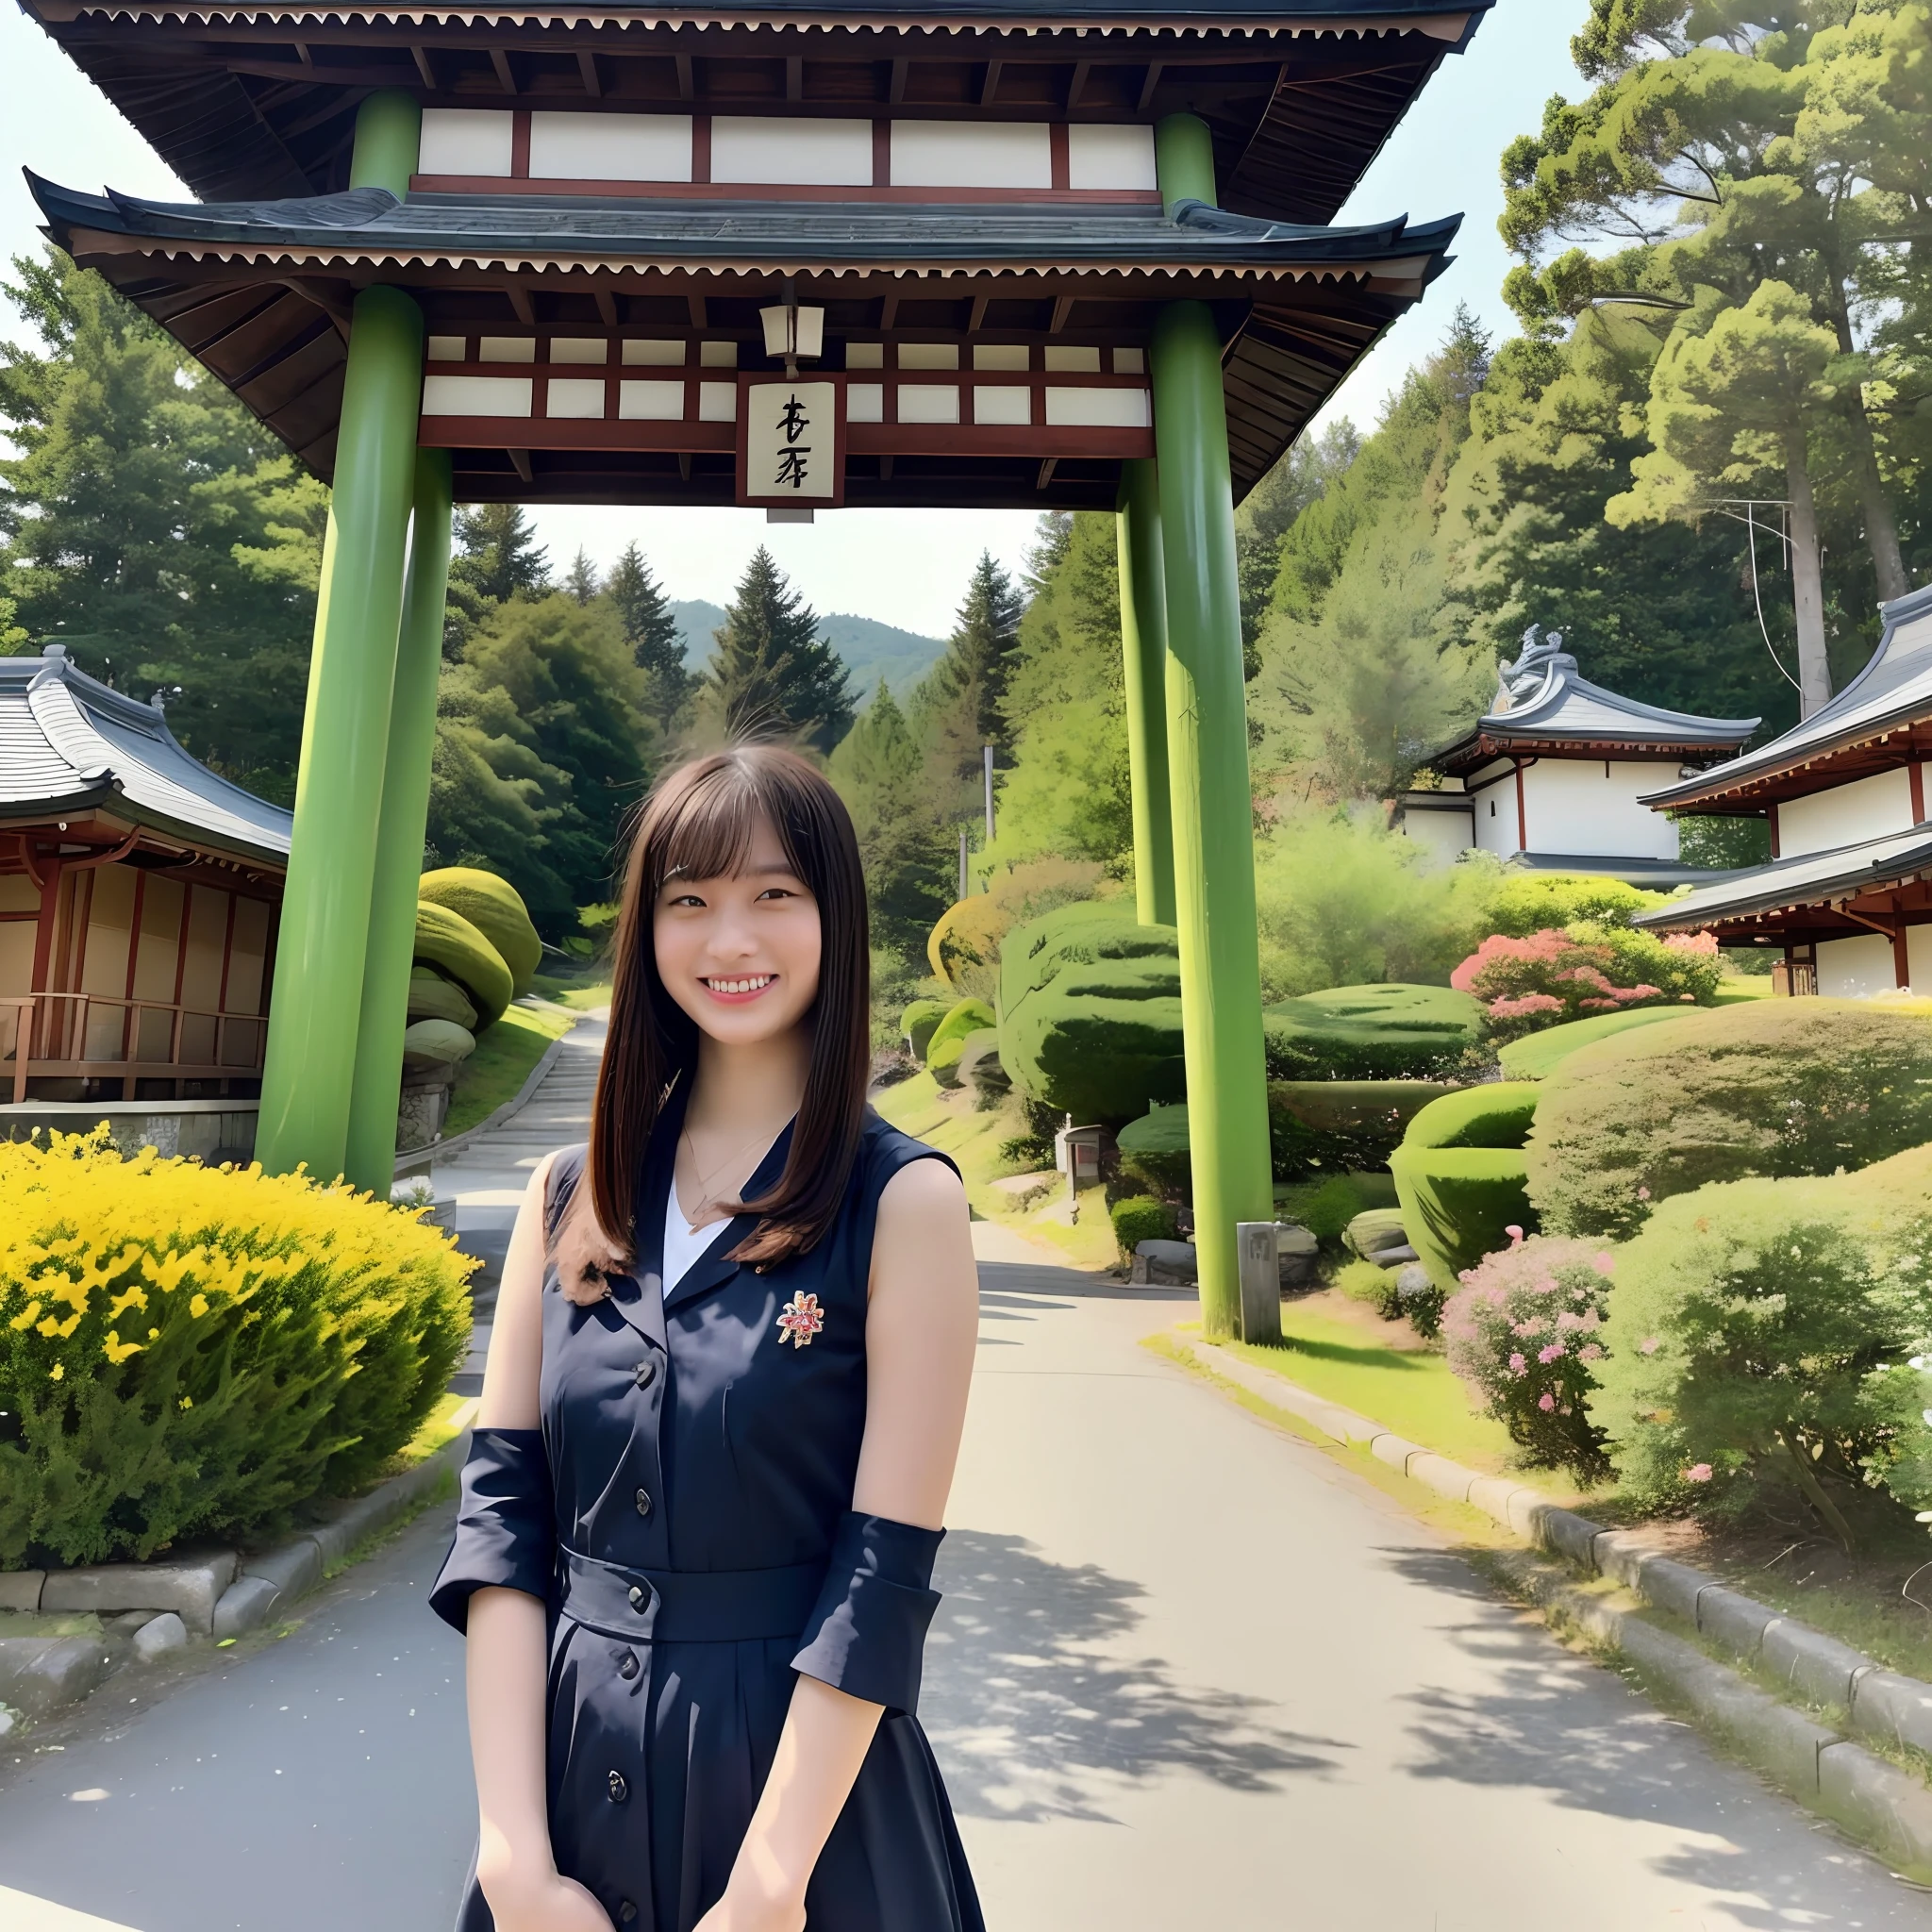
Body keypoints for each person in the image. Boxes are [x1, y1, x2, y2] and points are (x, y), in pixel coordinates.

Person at [429, 745, 985, 1932]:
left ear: (833, 917)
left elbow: (881, 1568)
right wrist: (511, 1853)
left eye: (773, 895)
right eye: (690, 900)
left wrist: (772, 1883)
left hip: (803, 1816)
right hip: (566, 1786)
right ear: (647, 930)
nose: (729, 939)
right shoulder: (563, 1195)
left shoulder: (904, 1203)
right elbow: (501, 1521)